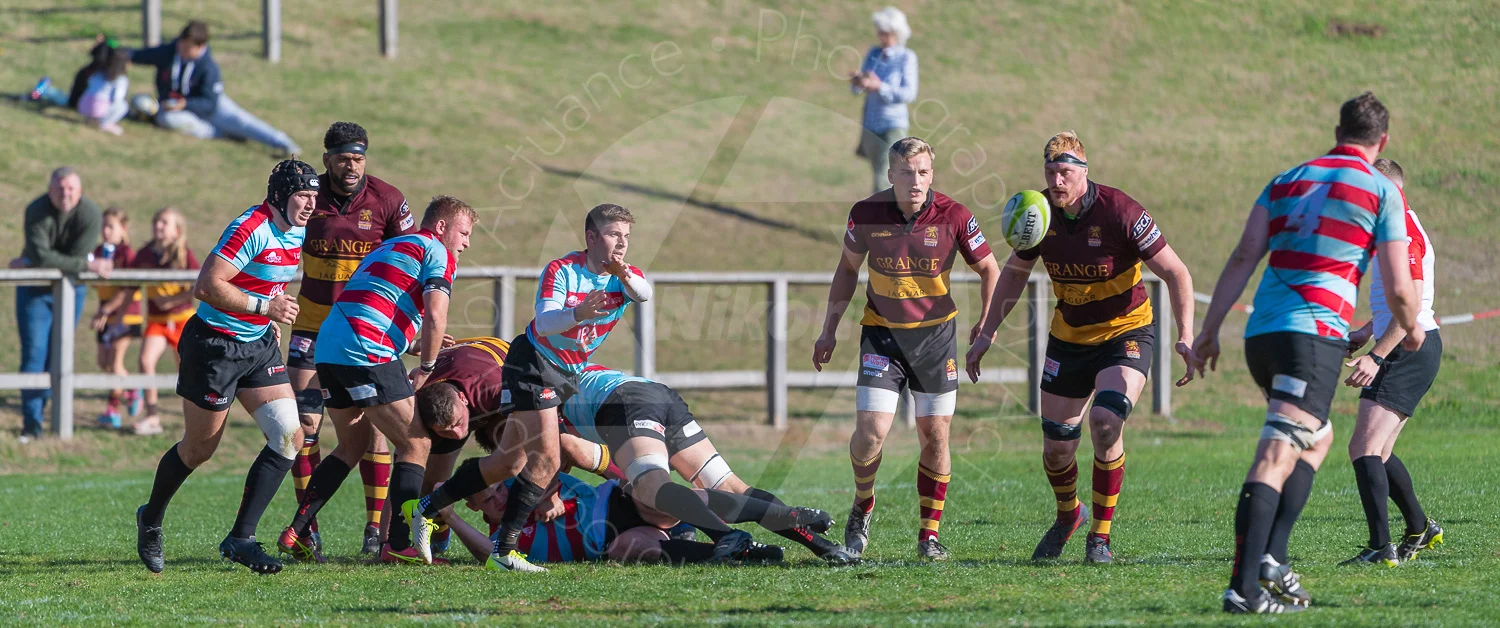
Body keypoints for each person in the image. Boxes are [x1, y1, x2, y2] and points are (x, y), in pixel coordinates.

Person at [1187, 92, 1425, 614]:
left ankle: (1271, 557)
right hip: (1311, 338)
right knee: (1276, 453)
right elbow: (1401, 287)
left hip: (1263, 338)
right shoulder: (1379, 190)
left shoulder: (1287, 179)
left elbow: (1245, 254)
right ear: (1381, 142)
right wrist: (1410, 329)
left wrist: (1210, 329)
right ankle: (1244, 589)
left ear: (1337, 131)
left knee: (1317, 439)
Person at [964, 132, 1196, 564]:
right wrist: (987, 332)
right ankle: (1068, 515)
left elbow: (1177, 273)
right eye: (1050, 172)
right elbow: (1013, 275)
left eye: (1066, 171)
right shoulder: (1037, 215)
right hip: (1069, 338)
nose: (1057, 180)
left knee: (1106, 422)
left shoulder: (1120, 211)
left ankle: (1100, 537)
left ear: (1085, 173)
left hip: (1125, 331)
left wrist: (1185, 334)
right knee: (1056, 448)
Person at [402, 203, 654, 573]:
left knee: (510, 460)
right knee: (547, 458)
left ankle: (427, 508)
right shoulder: (563, 269)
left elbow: (643, 293)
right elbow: (546, 320)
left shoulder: (623, 277)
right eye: (614, 235)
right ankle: (502, 550)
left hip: (567, 373)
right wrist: (579, 313)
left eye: (626, 237)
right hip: (533, 364)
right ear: (590, 237)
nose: (622, 244)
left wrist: (622, 273)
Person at [812, 136, 1000, 561]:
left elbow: (990, 267)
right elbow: (846, 268)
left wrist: (985, 325)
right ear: (891, 175)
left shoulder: (955, 215)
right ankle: (863, 504)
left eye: (924, 172)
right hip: (882, 335)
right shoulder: (865, 214)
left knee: (935, 435)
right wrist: (829, 329)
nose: (916, 181)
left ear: (931, 174)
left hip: (936, 340)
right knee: (871, 434)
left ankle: (928, 535)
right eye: (906, 172)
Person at [134, 160, 318, 574]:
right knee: (200, 448)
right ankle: (151, 517)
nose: (309, 205)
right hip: (214, 347)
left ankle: (241, 539)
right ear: (279, 196)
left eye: (313, 196)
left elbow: (274, 276)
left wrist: (267, 316)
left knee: (290, 436)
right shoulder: (250, 227)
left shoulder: (298, 227)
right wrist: (265, 307)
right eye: (302, 196)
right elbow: (207, 285)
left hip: (258, 347)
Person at [275, 195, 472, 565]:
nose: (465, 243)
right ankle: (399, 544)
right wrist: (427, 365)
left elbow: (376, 299)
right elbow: (436, 312)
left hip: (330, 347)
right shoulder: (437, 252)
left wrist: (409, 344)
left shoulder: (395, 245)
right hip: (366, 346)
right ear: (442, 227)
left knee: (352, 445)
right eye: (463, 233)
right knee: (416, 442)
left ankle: (297, 530)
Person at [286, 121, 418, 559]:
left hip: (365, 336)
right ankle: (308, 529)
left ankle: (374, 529)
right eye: (343, 157)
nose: (351, 165)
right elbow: (279, 248)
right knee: (303, 428)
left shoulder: (389, 200)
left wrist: (410, 332)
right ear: (327, 158)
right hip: (310, 330)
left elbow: (412, 265)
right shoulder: (306, 199)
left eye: (359, 157)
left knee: (376, 431)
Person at [1340, 158, 1445, 567]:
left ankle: (1381, 548)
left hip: (1407, 349)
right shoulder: (1394, 227)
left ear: (1388, 189)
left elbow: (1413, 305)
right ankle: (1419, 527)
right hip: (1404, 344)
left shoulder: (1401, 231)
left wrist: (1377, 355)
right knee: (1377, 452)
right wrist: (1368, 329)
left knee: (1362, 447)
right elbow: (1397, 300)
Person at [440, 461, 786, 566]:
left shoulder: (529, 482)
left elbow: (558, 452)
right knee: (627, 549)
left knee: (660, 499)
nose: (500, 498)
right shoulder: (504, 541)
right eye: (488, 499)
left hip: (618, 501)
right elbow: (488, 555)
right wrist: (450, 519)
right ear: (473, 507)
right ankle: (740, 556)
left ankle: (786, 517)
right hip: (609, 539)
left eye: (500, 487)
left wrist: (551, 493)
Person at [13, 167, 112, 443]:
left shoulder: (90, 214)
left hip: (72, 291)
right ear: (50, 190)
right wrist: (87, 265)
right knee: (34, 353)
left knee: (60, 354)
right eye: (59, 188)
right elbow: (42, 256)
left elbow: (65, 257)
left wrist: (45, 260)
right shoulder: (36, 209)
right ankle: (32, 424)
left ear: (80, 192)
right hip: (34, 290)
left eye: (70, 189)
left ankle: (57, 422)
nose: (64, 193)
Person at [97, 208, 200, 435]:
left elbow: (200, 286)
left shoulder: (184, 254)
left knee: (188, 372)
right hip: (157, 321)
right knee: (145, 361)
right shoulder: (144, 254)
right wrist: (117, 318)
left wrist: (172, 300)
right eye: (156, 221)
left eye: (164, 222)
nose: (158, 226)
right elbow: (129, 286)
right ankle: (152, 417)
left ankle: (194, 421)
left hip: (183, 320)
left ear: (177, 230)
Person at [128, 21, 301, 155]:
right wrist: (111, 49)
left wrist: (185, 104)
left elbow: (210, 102)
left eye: (188, 47)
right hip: (179, 108)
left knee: (243, 122)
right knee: (166, 119)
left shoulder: (209, 68)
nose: (182, 49)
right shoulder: (169, 52)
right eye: (181, 44)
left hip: (211, 107)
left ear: (201, 47)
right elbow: (138, 55)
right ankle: (221, 134)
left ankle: (283, 143)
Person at [849, 7, 918, 193]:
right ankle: (892, 218)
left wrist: (880, 87)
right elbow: (857, 88)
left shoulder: (906, 58)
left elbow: (909, 93)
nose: (881, 36)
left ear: (896, 33)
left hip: (892, 125)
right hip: (870, 124)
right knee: (880, 173)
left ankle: (882, 220)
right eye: (879, 31)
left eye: (885, 32)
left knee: (884, 176)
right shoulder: (873, 53)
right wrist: (858, 81)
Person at [89, 207, 142, 430]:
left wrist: (106, 310)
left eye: (111, 226)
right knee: (103, 362)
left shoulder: (127, 254)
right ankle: (131, 390)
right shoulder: (99, 250)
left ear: (123, 228)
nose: (106, 231)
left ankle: (112, 410)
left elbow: (127, 289)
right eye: (103, 226)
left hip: (126, 316)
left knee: (115, 362)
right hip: (106, 316)